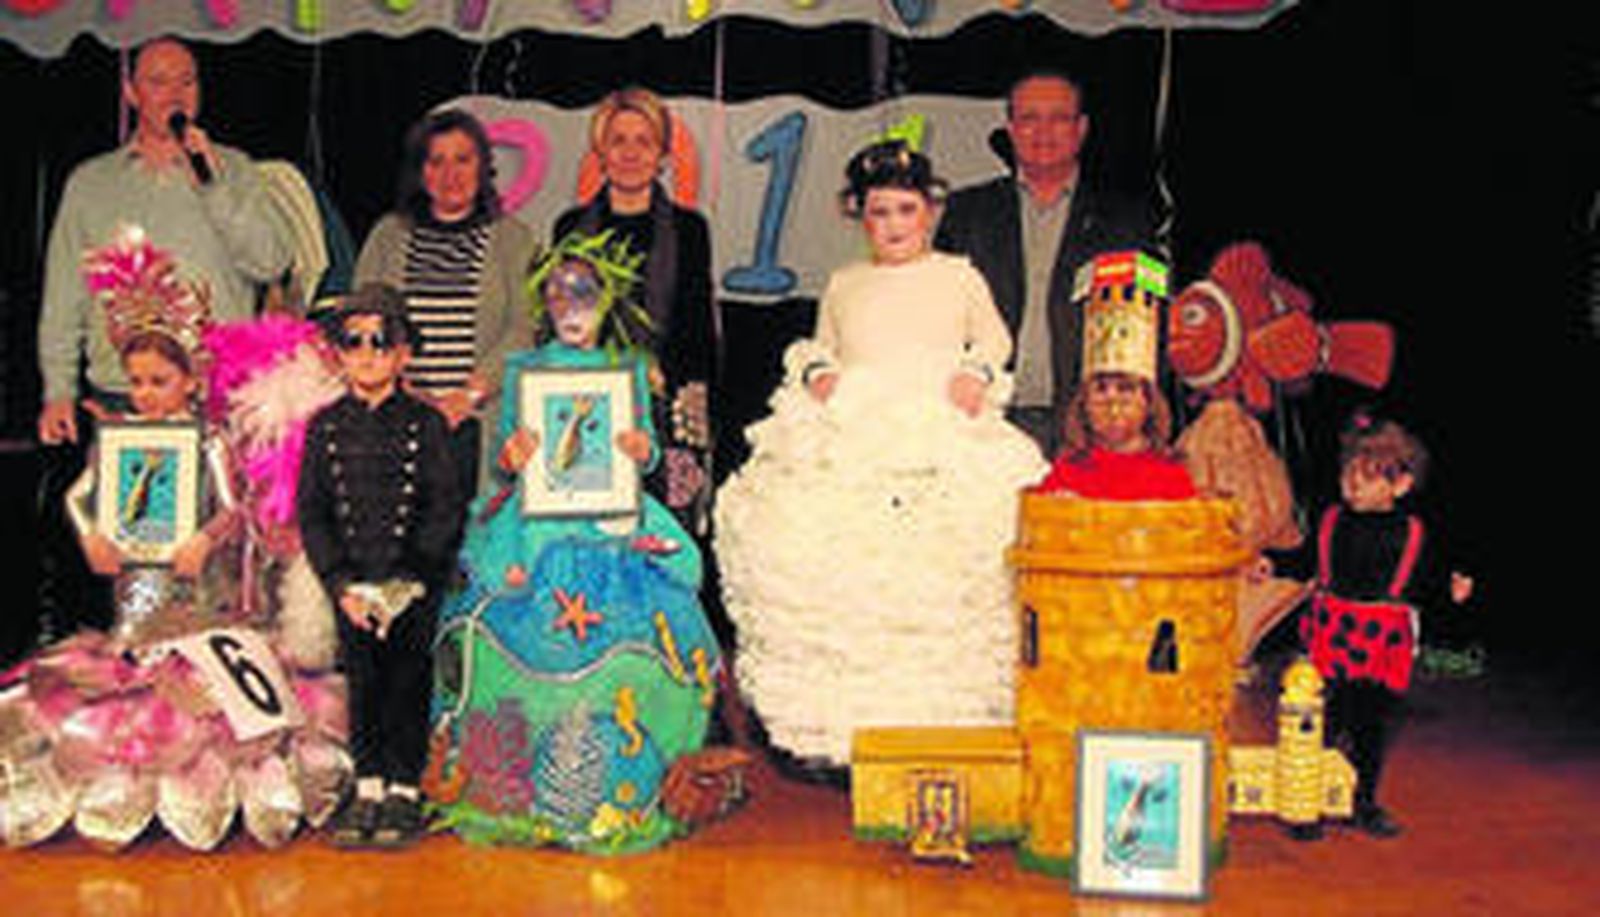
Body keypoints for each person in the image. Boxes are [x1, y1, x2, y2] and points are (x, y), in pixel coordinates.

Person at [715, 140, 1046, 771]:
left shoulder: (958, 275)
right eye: (879, 212)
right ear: (858, 215)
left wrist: (975, 371)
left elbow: (996, 337)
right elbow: (823, 344)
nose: (893, 225)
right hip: (856, 423)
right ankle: (838, 730)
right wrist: (817, 370)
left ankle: (951, 720)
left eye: (905, 210)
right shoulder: (846, 282)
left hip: (937, 423)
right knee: (835, 556)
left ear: (930, 211)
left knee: (944, 559)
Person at [424, 232, 721, 852]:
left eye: (584, 292)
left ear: (606, 299)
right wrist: (512, 455)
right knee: (519, 621)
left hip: (610, 517)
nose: (571, 305)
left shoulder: (628, 369)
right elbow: (508, 453)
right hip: (540, 520)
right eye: (559, 294)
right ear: (546, 303)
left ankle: (619, 788)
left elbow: (646, 452)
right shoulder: (523, 369)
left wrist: (643, 449)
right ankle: (524, 786)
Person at [36, 35, 289, 638]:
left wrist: (214, 184)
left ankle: (211, 681)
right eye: (158, 81)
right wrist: (57, 389)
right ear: (130, 91)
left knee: (218, 564)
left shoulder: (233, 169)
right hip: (127, 398)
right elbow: (64, 292)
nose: (175, 94)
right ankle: (141, 675)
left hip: (217, 401)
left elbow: (272, 259)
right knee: (135, 563)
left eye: (187, 81)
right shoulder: (92, 183)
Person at [298, 284, 462, 848]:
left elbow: (444, 508)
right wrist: (341, 584)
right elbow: (314, 514)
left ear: (404, 354)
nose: (366, 354)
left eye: (380, 341)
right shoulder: (324, 427)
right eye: (354, 341)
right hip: (353, 587)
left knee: (407, 681)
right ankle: (368, 785)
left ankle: (404, 788)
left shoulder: (426, 424)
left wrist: (408, 582)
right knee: (363, 682)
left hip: (412, 585)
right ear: (339, 353)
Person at [934, 70, 1151, 454]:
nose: (1043, 131)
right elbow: (938, 321)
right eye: (1029, 118)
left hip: (1087, 426)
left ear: (1081, 129)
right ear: (1011, 129)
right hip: (984, 421)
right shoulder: (966, 213)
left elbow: (1146, 326)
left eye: (1059, 118)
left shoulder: (1127, 220)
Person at [1296, 413, 1474, 839]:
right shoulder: (1331, 520)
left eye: (1369, 476)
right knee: (1320, 723)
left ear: (1401, 484)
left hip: (1379, 644)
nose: (1353, 484)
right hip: (1331, 637)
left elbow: (1426, 581)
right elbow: (1304, 558)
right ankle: (1306, 801)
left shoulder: (1411, 532)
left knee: (1367, 727)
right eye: (1348, 473)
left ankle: (1363, 802)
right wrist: (1273, 563)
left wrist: (1451, 592)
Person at [552, 88, 716, 534]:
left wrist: (664, 379)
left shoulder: (690, 229)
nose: (630, 153)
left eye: (644, 141)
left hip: (669, 404)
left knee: (668, 540)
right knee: (590, 537)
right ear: (600, 151)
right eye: (618, 140)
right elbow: (559, 324)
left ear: (662, 154)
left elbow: (698, 329)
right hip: (590, 403)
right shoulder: (571, 228)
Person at [65, 226, 240, 642]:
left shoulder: (208, 438)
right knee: (136, 650)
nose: (144, 393)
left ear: (191, 380)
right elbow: (76, 496)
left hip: (199, 581)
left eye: (159, 381)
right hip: (137, 579)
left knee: (190, 659)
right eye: (136, 381)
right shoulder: (121, 438)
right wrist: (91, 535)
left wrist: (203, 539)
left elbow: (232, 508)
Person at [355, 108, 535, 501]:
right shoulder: (388, 235)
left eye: (462, 159)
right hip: (398, 419)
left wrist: (467, 396)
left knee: (476, 531)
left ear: (483, 167)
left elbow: (523, 328)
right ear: (420, 172)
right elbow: (362, 322)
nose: (450, 173)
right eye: (436, 161)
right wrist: (396, 386)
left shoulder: (514, 238)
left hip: (479, 423)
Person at [1034, 251, 1193, 500]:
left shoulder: (1171, 476)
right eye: (1100, 388)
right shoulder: (1068, 471)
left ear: (1148, 402)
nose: (1112, 399)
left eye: (1125, 388)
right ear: (1083, 404)